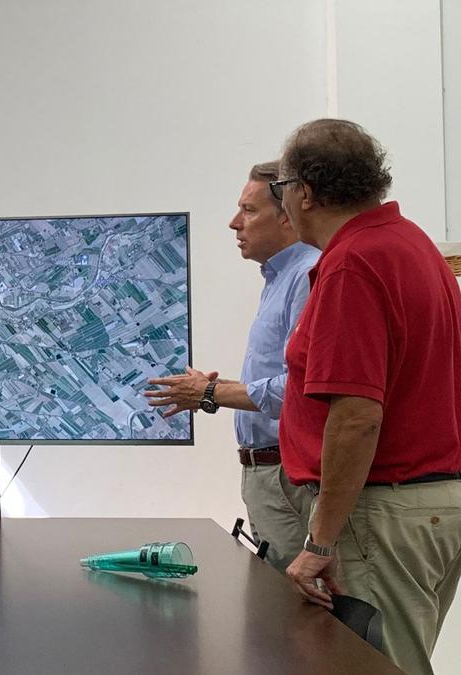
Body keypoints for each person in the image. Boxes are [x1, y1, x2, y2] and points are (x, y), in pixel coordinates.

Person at [277, 118, 461, 675]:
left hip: (382, 509)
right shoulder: (411, 244)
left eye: (278, 186)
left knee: (374, 667)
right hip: (427, 503)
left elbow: (356, 416)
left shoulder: (354, 262)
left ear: (304, 191)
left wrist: (321, 540)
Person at [144, 162, 319, 571]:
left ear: (287, 215)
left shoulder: (307, 274)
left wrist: (211, 392)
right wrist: (212, 390)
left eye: (249, 210)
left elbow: (302, 388)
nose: (233, 223)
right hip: (271, 475)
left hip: (287, 477)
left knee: (299, 615)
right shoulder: (280, 277)